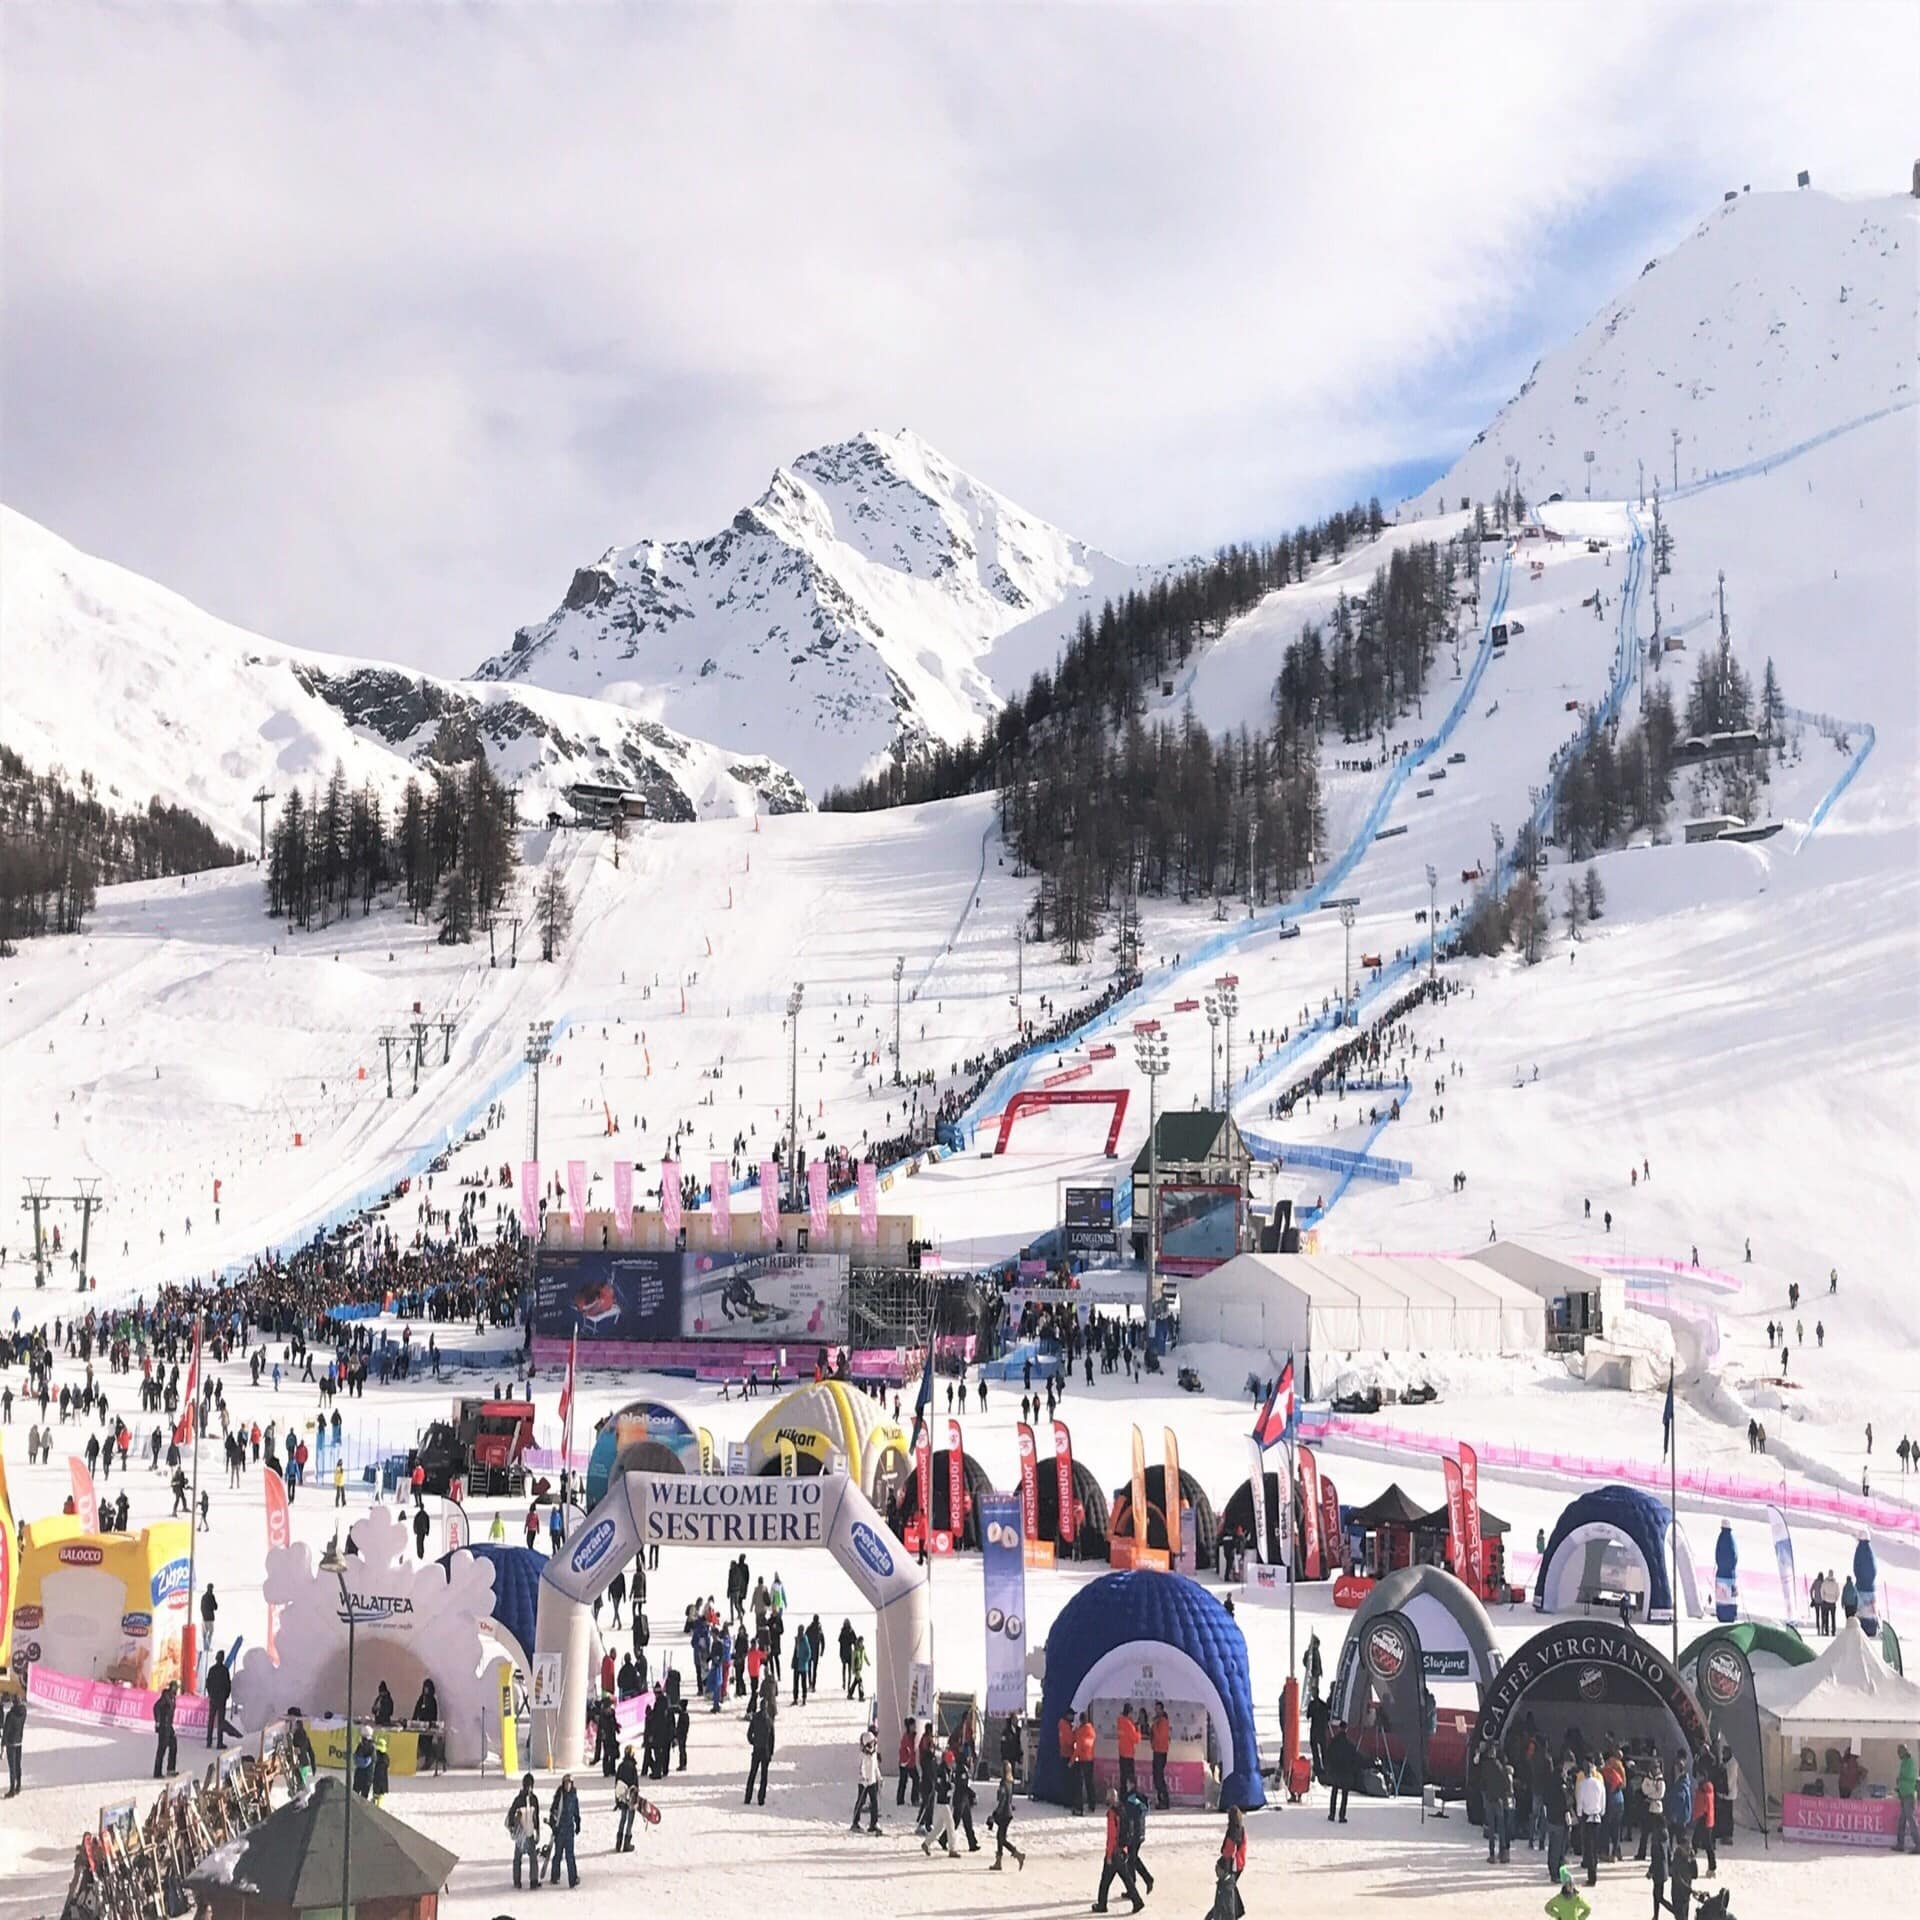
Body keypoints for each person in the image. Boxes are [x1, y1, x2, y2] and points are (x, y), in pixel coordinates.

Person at [1092, 1787, 1143, 1913]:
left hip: (1114, 1853)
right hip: (1122, 1851)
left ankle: (1102, 1905)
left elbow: (1112, 1836)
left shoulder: (1112, 1814)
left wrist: (1109, 1855)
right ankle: (1137, 1901)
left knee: (1105, 1881)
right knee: (1127, 1879)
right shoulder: (1122, 1810)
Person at [921, 1743, 959, 1858]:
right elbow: (939, 1786)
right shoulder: (941, 1771)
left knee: (939, 1827)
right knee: (950, 1825)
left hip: (947, 1801)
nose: (952, 1764)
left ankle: (926, 1843)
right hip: (942, 1802)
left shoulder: (949, 1771)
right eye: (951, 1761)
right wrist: (948, 1788)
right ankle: (952, 1849)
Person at [506, 1773, 542, 1888]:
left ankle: (533, 1881)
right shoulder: (519, 1800)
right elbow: (511, 1813)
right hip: (521, 1833)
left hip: (530, 1831)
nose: (529, 1788)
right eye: (527, 1785)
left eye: (530, 1785)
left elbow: (536, 1817)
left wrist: (537, 1831)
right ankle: (517, 1881)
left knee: (532, 1857)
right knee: (518, 1858)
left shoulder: (534, 1799)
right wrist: (512, 1827)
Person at [1481, 1741, 1514, 1862]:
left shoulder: (1485, 1766)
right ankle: (1503, 1851)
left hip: (1489, 1798)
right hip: (1499, 1800)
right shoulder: (1499, 1765)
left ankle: (1492, 1853)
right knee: (1501, 1827)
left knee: (1491, 1827)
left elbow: (1482, 1782)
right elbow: (1504, 1782)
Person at [988, 1761, 1025, 1869]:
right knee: (1000, 1837)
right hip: (1007, 1813)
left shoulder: (1004, 1783)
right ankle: (999, 1861)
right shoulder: (1010, 1782)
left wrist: (995, 1814)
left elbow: (1002, 1800)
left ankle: (1017, 1854)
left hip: (1004, 1813)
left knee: (1001, 1839)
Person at [547, 1773, 581, 1887]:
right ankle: (555, 1876)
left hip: (569, 1829)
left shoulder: (573, 1796)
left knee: (570, 1855)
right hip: (560, 1830)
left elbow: (576, 1811)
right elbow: (553, 1812)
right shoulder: (559, 1797)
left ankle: (573, 1879)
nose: (568, 1786)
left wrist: (578, 1822)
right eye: (566, 1783)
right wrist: (553, 1826)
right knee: (558, 1854)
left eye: (570, 1783)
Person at [1576, 1762, 1605, 1885]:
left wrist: (1579, 1814)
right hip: (1597, 1817)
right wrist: (1602, 1812)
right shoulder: (1599, 1784)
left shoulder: (1583, 1785)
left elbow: (1580, 1802)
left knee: (1589, 1848)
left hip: (1587, 1817)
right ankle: (1594, 1870)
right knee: (1595, 1847)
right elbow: (1603, 1800)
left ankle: (1591, 1876)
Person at [1216, 1806, 1247, 1920]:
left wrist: (1223, 1861)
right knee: (1231, 1889)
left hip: (1232, 1865)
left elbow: (1229, 1849)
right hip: (1240, 1863)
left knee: (1227, 1891)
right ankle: (1235, 1911)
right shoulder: (1241, 1829)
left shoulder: (1233, 1831)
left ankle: (1232, 1913)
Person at [852, 1726, 882, 1833]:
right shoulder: (862, 1756)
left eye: (873, 1744)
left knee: (874, 1802)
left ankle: (874, 1823)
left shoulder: (873, 1754)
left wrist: (878, 1776)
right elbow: (862, 1769)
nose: (872, 1747)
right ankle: (855, 1822)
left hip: (872, 1781)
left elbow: (875, 1766)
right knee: (861, 1801)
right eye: (870, 1745)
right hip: (864, 1782)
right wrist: (865, 1779)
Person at [745, 1698, 775, 1805]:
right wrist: (770, 1753)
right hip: (765, 1751)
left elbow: (749, 1735)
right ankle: (761, 1799)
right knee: (764, 1776)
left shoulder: (755, 1718)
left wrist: (754, 1742)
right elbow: (772, 1740)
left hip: (757, 1750)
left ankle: (747, 1797)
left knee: (752, 1774)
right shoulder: (769, 1721)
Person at [1326, 1717, 1355, 1822]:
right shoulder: (1350, 1744)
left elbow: (1328, 1755)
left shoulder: (1333, 1742)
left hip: (1335, 1770)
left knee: (1334, 1792)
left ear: (1339, 1729)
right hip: (1346, 1772)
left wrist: (1329, 1767)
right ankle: (1342, 1816)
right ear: (1346, 1729)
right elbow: (1354, 1758)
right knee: (1344, 1795)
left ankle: (1332, 1814)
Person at [205, 1651, 236, 1750]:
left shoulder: (212, 1670)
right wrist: (225, 1696)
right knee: (220, 1722)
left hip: (213, 1699)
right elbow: (228, 1685)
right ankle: (219, 1742)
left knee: (211, 1720)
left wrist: (211, 1695)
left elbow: (208, 1683)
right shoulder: (224, 1671)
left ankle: (209, 1741)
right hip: (221, 1700)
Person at [614, 1744, 642, 1851]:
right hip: (630, 1798)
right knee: (630, 1820)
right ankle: (626, 1843)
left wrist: (617, 1799)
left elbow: (617, 1783)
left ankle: (618, 1842)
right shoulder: (633, 1768)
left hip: (622, 1796)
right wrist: (635, 1799)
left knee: (623, 1818)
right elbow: (635, 1785)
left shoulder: (621, 1766)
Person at [1895, 1742, 1919, 1853]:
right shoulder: (1904, 1762)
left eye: (1900, 1751)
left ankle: (1918, 1844)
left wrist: (1900, 1781)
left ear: (1904, 1751)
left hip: (1908, 1795)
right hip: (1904, 1795)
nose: (1898, 1753)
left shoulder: (1909, 1762)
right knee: (1902, 1821)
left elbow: (1910, 1778)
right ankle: (1900, 1844)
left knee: (1911, 1820)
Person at [153, 1680, 179, 1779]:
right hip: (164, 1726)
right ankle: (157, 1772)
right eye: (175, 1688)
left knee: (173, 1745)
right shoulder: (165, 1697)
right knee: (162, 1748)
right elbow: (156, 1707)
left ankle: (171, 1769)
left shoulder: (173, 1698)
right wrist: (158, 1721)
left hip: (169, 1726)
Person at [1150, 1702, 1171, 1809]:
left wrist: (1153, 1726)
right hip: (1157, 1750)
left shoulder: (1163, 1721)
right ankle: (1161, 1800)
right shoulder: (1160, 1721)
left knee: (1159, 1778)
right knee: (1157, 1777)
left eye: (1158, 1709)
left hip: (1161, 1752)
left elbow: (1159, 1736)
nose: (1156, 1711)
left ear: (1162, 1710)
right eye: (1155, 1709)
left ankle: (1165, 1800)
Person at [2, 1692, 23, 1797]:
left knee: (12, 1767)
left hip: (11, 1743)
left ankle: (12, 1790)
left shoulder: (10, 1715)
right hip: (19, 1741)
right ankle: (18, 1786)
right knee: (18, 1765)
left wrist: (2, 1745)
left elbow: (6, 1730)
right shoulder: (24, 1712)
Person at [897, 1718, 920, 1806]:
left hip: (911, 1763)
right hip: (906, 1764)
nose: (915, 1727)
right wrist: (906, 1761)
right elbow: (905, 1751)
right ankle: (900, 1799)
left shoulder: (913, 1736)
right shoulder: (906, 1738)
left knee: (916, 1779)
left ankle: (914, 1798)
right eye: (913, 1726)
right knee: (903, 1781)